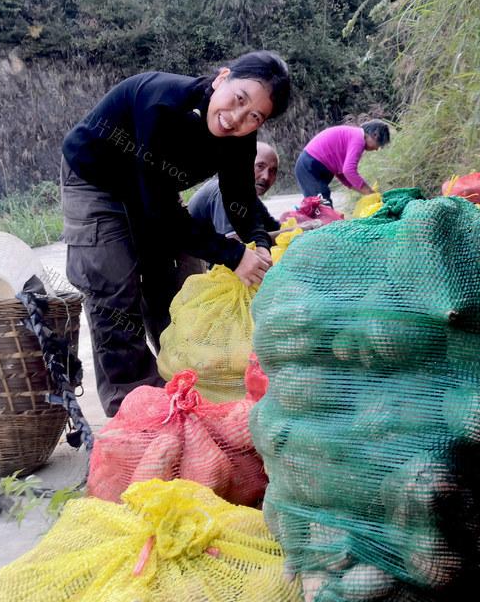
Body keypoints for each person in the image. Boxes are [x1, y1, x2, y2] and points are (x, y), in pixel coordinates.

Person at [60, 51, 291, 417]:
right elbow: (159, 213)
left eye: (255, 117)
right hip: (97, 182)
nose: (236, 118)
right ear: (223, 78)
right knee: (116, 290)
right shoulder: (163, 105)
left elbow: (240, 200)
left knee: (179, 286)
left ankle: (180, 382)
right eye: (240, 98)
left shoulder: (240, 136)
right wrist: (231, 256)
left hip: (152, 190)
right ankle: (135, 409)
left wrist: (259, 243)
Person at [187, 141, 319, 243]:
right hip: (203, 269)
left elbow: (275, 228)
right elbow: (239, 245)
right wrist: (299, 230)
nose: (266, 177)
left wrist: (308, 224)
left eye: (272, 171)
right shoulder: (223, 191)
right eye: (260, 166)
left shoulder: (248, 197)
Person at [294, 120, 390, 205]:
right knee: (323, 208)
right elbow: (349, 171)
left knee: (320, 207)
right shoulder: (358, 139)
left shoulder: (354, 136)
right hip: (310, 166)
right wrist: (369, 192)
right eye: (379, 145)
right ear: (375, 134)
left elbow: (343, 174)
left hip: (311, 165)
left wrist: (367, 193)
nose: (377, 149)